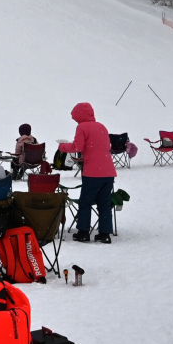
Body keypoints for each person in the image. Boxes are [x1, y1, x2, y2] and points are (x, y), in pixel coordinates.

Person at [57, 103, 116, 243]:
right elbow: (105, 147)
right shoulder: (101, 126)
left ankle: (83, 232)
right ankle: (105, 234)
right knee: (104, 204)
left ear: (79, 116)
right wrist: (86, 156)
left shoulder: (82, 127)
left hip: (93, 173)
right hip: (108, 171)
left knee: (85, 202)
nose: (75, 121)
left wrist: (62, 147)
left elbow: (77, 146)